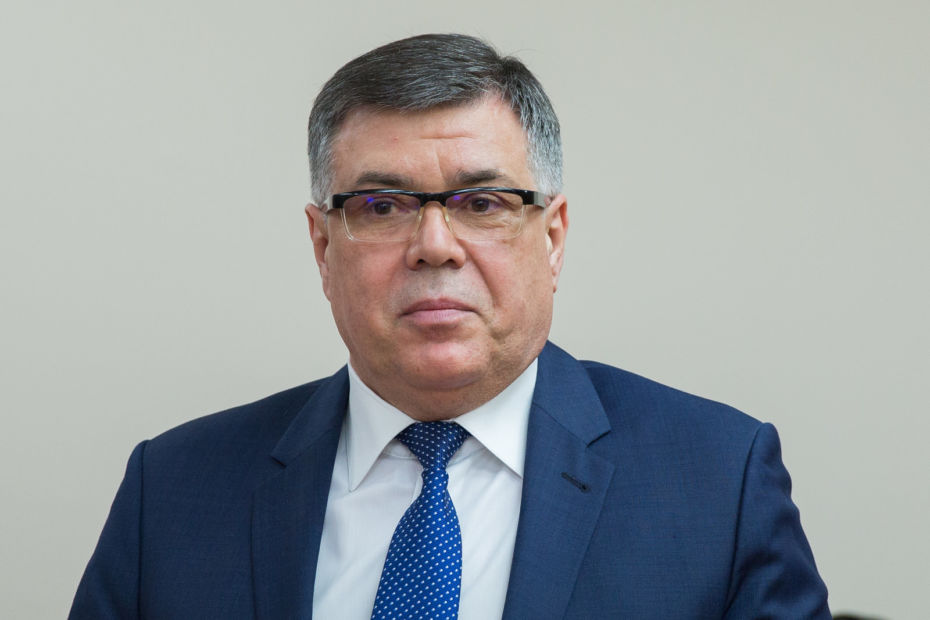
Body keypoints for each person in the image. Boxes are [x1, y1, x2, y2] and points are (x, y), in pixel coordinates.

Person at [69, 33, 830, 619]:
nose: (435, 245)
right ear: (323, 247)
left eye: (483, 203)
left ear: (552, 238)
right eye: (381, 206)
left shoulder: (719, 482)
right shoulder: (172, 493)